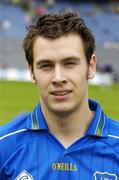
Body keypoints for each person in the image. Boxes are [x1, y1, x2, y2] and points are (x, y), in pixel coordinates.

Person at [0, 11, 119, 180]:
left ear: (91, 66)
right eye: (46, 66)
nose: (58, 78)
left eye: (69, 63)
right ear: (32, 72)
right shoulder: (4, 146)